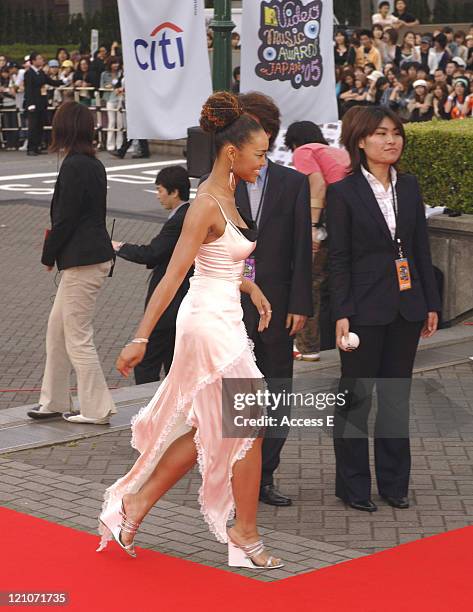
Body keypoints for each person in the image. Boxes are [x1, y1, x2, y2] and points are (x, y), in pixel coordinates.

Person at [96, 91, 284, 570]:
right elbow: (176, 274)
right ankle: (244, 532)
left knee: (208, 425)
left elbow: (218, 261)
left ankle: (134, 508)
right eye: (260, 154)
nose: (264, 163)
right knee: (249, 419)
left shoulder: (231, 191)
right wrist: (140, 337)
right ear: (231, 153)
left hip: (225, 315)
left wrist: (250, 288)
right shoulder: (204, 203)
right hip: (204, 322)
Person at [326, 106, 441, 513]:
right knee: (355, 398)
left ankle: (395, 484)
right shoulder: (342, 192)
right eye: (381, 133)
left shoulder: (408, 186)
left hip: (407, 309)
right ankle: (353, 486)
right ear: (360, 141)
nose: (391, 140)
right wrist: (342, 311)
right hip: (361, 311)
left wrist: (430, 302)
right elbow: (337, 257)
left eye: (396, 133)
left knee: (395, 398)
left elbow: (419, 248)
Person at [237, 92, 312, 507]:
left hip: (281, 306)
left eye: (259, 126)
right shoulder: (222, 181)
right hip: (232, 306)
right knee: (234, 395)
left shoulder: (293, 182)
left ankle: (265, 477)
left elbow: (302, 249)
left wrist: (301, 304)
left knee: (278, 394)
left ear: (269, 132)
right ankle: (233, 475)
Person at [27, 101, 116, 425]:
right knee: (57, 329)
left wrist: (48, 255)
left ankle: (97, 408)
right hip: (88, 256)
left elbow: (65, 217)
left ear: (65, 128)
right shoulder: (92, 163)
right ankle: (54, 400)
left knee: (77, 335)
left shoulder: (74, 165)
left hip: (83, 260)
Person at [113, 166, 193, 384]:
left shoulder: (180, 220)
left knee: (147, 363)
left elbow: (152, 253)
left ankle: (148, 408)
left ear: (174, 192)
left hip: (169, 306)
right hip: (181, 304)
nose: (158, 196)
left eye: (159, 190)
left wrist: (118, 246)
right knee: (173, 362)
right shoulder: (187, 214)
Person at [284, 121, 350, 361]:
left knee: (309, 282)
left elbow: (317, 185)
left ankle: (308, 348)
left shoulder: (304, 151)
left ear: (293, 142)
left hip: (328, 223)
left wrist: (311, 227)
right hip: (350, 224)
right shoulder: (337, 152)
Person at [24, 52, 63, 156]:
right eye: (39, 59)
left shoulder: (41, 72)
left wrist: (63, 81)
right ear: (33, 61)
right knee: (33, 126)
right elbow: (28, 90)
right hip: (33, 103)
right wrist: (30, 104)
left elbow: (50, 81)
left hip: (42, 102)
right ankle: (31, 148)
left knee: (40, 125)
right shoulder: (29, 73)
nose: (41, 60)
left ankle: (37, 146)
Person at [100, 56, 124, 152]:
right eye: (114, 63)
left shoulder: (120, 73)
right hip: (110, 98)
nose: (116, 65)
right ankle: (110, 145)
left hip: (120, 98)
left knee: (120, 123)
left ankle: (120, 144)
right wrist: (108, 86)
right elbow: (102, 86)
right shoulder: (104, 74)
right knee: (111, 122)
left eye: (117, 63)